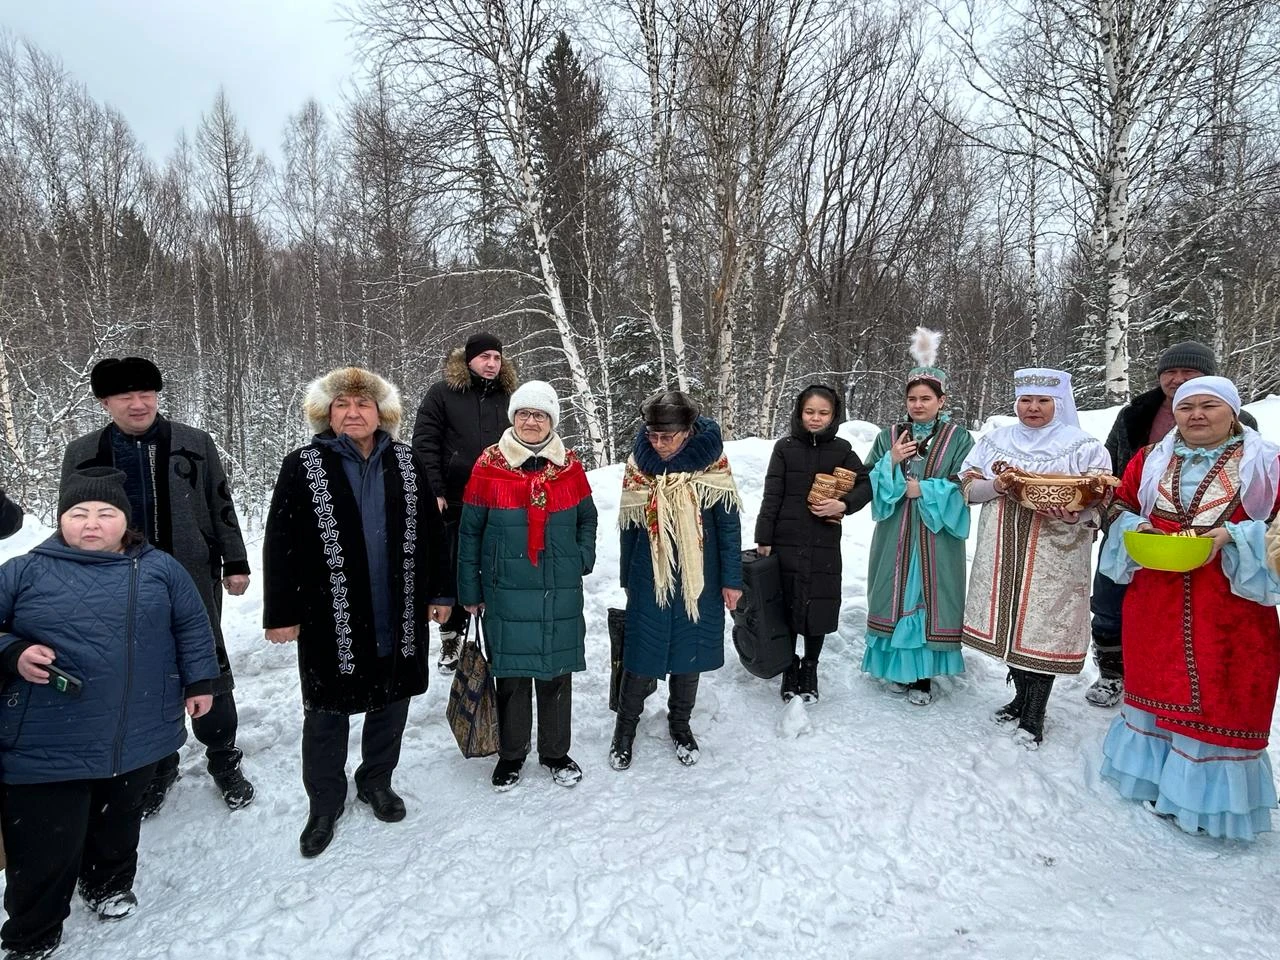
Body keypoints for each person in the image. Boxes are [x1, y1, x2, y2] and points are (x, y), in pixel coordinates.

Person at [0, 467, 220, 960]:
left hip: (138, 728)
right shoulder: (23, 569)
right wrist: (12, 653)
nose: (91, 524)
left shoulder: (160, 568)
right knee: (44, 842)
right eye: (78, 514)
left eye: (105, 513)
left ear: (126, 521)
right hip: (48, 737)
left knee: (118, 820)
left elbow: (192, 626)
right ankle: (32, 931)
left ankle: (108, 884)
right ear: (61, 520)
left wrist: (201, 682)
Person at [264, 366, 452, 859]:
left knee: (392, 702)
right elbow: (279, 544)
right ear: (326, 414)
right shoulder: (303, 465)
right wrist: (281, 612)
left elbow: (434, 536)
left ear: (381, 412)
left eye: (363, 405)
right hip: (331, 614)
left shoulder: (408, 464)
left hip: (400, 607)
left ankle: (376, 781)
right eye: (342, 405)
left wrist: (441, 593)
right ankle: (324, 803)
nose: (353, 413)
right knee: (327, 711)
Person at [60, 357, 253, 816]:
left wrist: (235, 560)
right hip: (116, 583)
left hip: (190, 575)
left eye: (146, 393)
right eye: (125, 396)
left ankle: (224, 757)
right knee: (143, 673)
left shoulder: (194, 442)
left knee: (206, 662)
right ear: (105, 402)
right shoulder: (83, 453)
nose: (138, 403)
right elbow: (69, 520)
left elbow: (220, 503)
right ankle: (161, 763)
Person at [1098, 376, 1280, 839]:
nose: (1196, 415)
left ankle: (1206, 805)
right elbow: (1117, 505)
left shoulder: (1267, 463)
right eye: (1186, 407)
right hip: (1155, 596)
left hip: (1232, 607)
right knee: (1157, 685)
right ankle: (1157, 780)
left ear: (1233, 412)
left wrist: (1234, 535)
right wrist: (1140, 528)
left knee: (1223, 696)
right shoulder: (1150, 457)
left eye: (1209, 406)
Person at [1087, 341, 1257, 707]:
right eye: (1170, 373)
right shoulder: (1136, 415)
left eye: (1189, 374)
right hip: (1140, 535)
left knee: (1205, 632)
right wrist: (1116, 516)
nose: (1177, 380)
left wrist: (1232, 532)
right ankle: (1114, 674)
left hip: (1214, 548)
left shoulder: (1250, 443)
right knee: (1109, 603)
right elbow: (1113, 470)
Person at [960, 368, 1112, 748]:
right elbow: (967, 489)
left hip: (1055, 549)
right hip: (1001, 546)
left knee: (1042, 627)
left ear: (1058, 404)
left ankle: (1035, 712)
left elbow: (1102, 499)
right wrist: (996, 485)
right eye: (1026, 400)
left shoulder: (1082, 446)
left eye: (1043, 401)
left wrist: (1077, 513)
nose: (1033, 408)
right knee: (1009, 622)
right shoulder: (996, 441)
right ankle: (1019, 697)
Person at [457, 381, 598, 791]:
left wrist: (581, 557)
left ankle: (555, 752)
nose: (531, 421)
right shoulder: (488, 466)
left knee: (556, 673)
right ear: (513, 418)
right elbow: (469, 534)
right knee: (512, 675)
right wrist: (471, 590)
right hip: (506, 589)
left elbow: (587, 518)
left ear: (551, 420)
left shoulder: (569, 466)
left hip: (559, 588)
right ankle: (512, 754)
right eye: (524, 414)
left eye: (540, 415)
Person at [611, 391, 743, 770]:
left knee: (691, 650)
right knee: (641, 651)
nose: (658, 443)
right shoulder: (640, 464)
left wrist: (732, 579)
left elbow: (728, 524)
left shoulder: (713, 464)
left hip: (702, 572)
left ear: (687, 431)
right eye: (652, 435)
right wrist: (627, 578)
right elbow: (629, 526)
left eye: (667, 436)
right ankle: (624, 729)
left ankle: (680, 725)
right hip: (648, 571)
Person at [860, 330, 974, 705]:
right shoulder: (888, 435)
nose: (918, 405)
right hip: (896, 531)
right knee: (891, 591)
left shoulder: (960, 439)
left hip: (935, 533)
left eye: (926, 398)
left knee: (929, 593)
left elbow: (967, 483)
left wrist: (924, 489)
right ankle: (896, 667)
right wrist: (891, 462)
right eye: (912, 398)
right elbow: (868, 479)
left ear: (942, 401)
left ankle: (922, 675)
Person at [754, 384, 870, 703]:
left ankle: (811, 666)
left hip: (823, 540)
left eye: (823, 413)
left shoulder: (843, 449)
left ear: (834, 415)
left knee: (818, 603)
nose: (815, 418)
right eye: (809, 412)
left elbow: (865, 483)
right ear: (799, 413)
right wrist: (763, 539)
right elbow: (772, 495)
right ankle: (790, 666)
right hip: (785, 540)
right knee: (787, 602)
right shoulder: (784, 448)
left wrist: (843, 505)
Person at [412, 332, 518, 674]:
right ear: (469, 359)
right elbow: (425, 443)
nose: (491, 363)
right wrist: (435, 490)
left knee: (499, 564)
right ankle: (451, 635)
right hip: (456, 499)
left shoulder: (509, 397)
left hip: (499, 499)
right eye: (485, 357)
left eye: (497, 358)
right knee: (458, 567)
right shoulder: (443, 393)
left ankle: (499, 633)